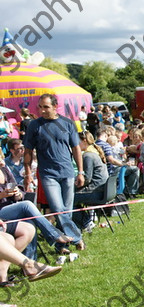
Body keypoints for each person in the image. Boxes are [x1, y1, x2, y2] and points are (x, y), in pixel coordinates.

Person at [23, 93, 84, 253]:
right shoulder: (34, 125)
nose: (42, 110)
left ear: (55, 106)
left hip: (68, 172)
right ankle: (77, 237)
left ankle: (60, 245)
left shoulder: (68, 123)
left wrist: (81, 172)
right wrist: (28, 174)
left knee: (67, 210)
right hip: (48, 173)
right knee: (58, 208)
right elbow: (28, 151)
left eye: (46, 107)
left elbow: (76, 148)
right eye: (40, 107)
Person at [73, 131, 108, 231]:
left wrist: (72, 185)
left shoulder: (88, 156)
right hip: (100, 190)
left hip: (96, 192)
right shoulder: (94, 152)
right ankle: (82, 223)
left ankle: (86, 222)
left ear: (84, 141)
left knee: (68, 200)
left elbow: (86, 179)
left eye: (77, 141)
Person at [96, 130, 139, 197]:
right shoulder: (105, 145)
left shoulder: (94, 145)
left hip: (100, 171)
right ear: (105, 136)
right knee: (135, 169)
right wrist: (124, 164)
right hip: (111, 171)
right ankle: (131, 192)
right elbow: (112, 160)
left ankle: (127, 190)